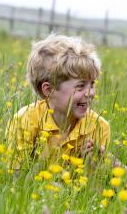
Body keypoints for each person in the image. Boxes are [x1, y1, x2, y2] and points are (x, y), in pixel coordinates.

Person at [6, 34, 110, 170]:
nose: (90, 93)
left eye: (92, 84)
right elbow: (15, 176)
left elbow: (95, 186)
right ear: (49, 90)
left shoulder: (99, 127)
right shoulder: (24, 120)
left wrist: (94, 164)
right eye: (80, 86)